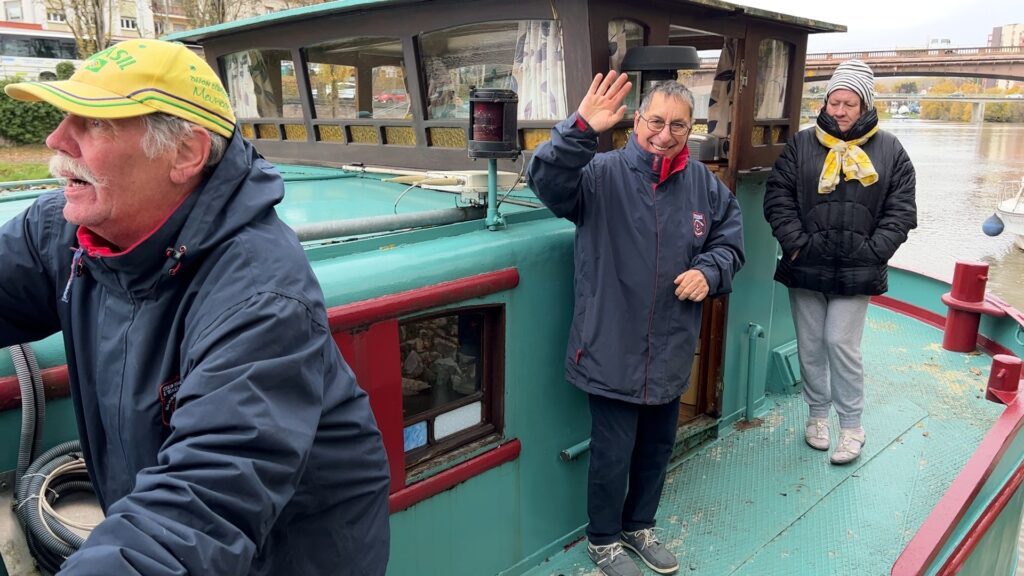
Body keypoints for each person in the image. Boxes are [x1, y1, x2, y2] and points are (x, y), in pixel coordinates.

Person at [0, 39, 390, 575]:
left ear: (185, 154)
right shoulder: (64, 230)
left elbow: (200, 505)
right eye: (67, 115)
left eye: (93, 123)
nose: (56, 138)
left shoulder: (260, 297)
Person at [527, 72, 745, 576]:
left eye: (678, 125)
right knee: (612, 453)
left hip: (670, 347)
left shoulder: (705, 187)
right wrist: (581, 127)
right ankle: (603, 539)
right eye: (655, 122)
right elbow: (546, 180)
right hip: (609, 345)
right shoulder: (598, 175)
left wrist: (709, 271)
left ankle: (639, 525)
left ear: (690, 129)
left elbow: (730, 243)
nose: (665, 134)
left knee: (657, 447)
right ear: (636, 122)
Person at [763, 59, 917, 465]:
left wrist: (873, 252)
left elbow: (902, 211)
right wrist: (795, 245)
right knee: (811, 346)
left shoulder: (890, 150)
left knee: (840, 343)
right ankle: (817, 417)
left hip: (858, 268)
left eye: (849, 103)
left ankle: (852, 426)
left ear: (865, 105)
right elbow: (778, 196)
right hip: (806, 265)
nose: (840, 111)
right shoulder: (801, 144)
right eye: (834, 102)